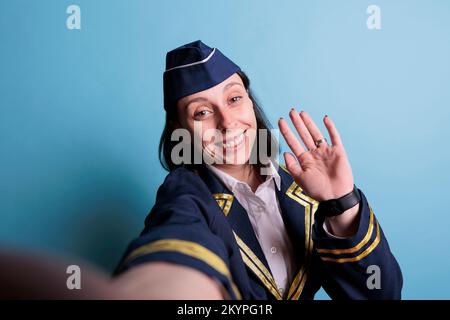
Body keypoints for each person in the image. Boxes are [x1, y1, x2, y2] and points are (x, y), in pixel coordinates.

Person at [113, 40, 403, 300]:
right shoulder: (186, 195)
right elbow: (176, 249)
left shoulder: (302, 184)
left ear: (250, 102)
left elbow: (381, 295)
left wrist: (341, 202)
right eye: (202, 112)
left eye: (234, 99)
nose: (227, 122)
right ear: (181, 130)